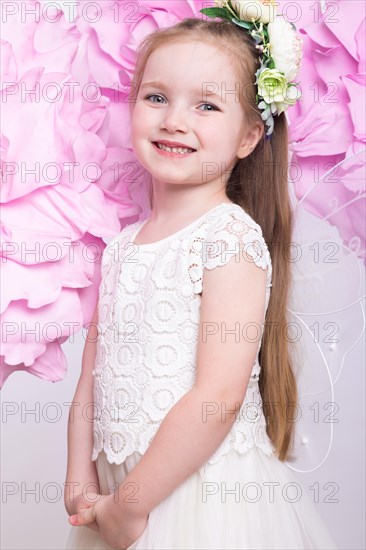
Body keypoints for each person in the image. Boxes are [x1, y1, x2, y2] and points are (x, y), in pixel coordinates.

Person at [63, 12, 339, 550]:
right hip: (122, 500)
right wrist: (81, 481)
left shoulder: (229, 239)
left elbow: (219, 396)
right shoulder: (121, 247)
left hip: (204, 501)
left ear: (248, 136)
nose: (173, 120)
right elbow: (90, 381)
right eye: (157, 97)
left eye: (207, 105)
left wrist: (130, 503)